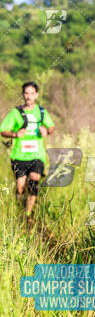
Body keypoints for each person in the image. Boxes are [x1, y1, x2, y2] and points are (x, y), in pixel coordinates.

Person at [0, 81, 55, 217]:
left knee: (34, 180)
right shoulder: (15, 112)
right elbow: (3, 130)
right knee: (20, 187)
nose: (29, 96)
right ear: (23, 95)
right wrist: (15, 134)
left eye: (32, 93)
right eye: (26, 93)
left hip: (37, 155)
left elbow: (51, 127)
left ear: (36, 95)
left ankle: (28, 214)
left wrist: (46, 131)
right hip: (19, 155)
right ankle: (19, 203)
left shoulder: (41, 112)